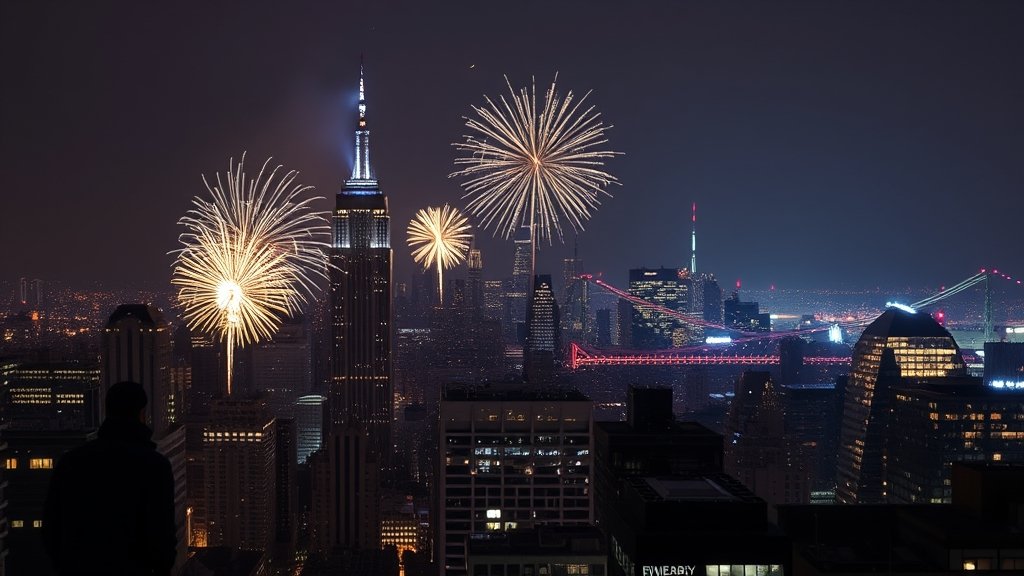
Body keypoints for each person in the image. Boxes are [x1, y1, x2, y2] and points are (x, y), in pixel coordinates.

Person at [43, 381, 176, 576]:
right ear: (142, 414)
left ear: (107, 410)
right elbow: (161, 535)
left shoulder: (71, 462)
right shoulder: (154, 466)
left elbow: (51, 528)